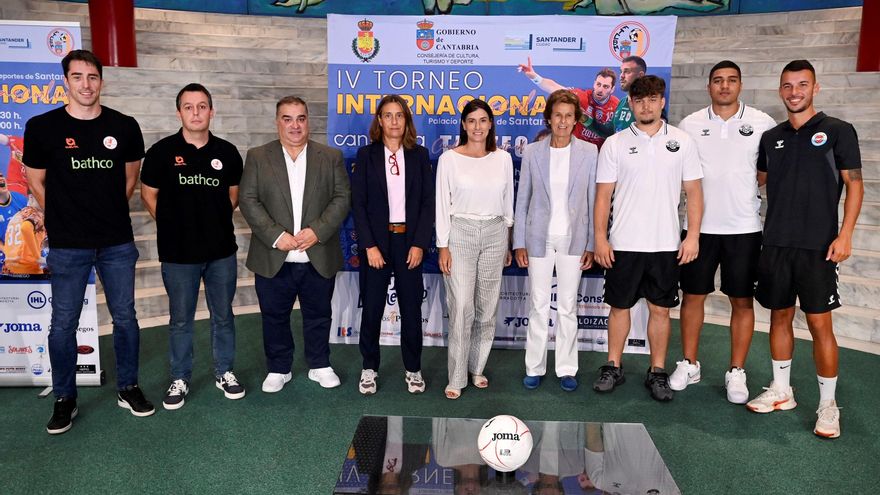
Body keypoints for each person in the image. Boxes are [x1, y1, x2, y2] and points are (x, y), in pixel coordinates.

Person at [24, 49, 152, 434]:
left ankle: (127, 386)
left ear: (101, 80)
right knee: (62, 324)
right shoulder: (42, 127)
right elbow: (34, 180)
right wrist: (63, 214)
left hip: (115, 240)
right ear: (66, 80)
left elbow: (131, 179)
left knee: (126, 318)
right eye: (77, 76)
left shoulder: (125, 125)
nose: (86, 84)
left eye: (92, 77)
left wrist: (104, 209)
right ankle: (66, 397)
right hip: (67, 244)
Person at [747, 60, 863, 439]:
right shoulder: (771, 137)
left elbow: (855, 185)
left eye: (802, 85)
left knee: (818, 324)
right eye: (787, 86)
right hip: (776, 242)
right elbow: (762, 179)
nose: (794, 92)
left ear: (816, 88)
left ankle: (828, 406)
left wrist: (845, 234)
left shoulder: (838, 131)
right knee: (779, 317)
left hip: (818, 247)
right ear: (780, 90)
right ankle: (782, 391)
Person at [592, 75, 704, 402]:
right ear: (631, 104)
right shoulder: (614, 144)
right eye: (639, 100)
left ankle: (657, 371)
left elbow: (694, 194)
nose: (646, 106)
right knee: (619, 307)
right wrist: (601, 238)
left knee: (660, 310)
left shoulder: (682, 141)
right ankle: (613, 365)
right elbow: (602, 197)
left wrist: (692, 236)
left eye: (652, 99)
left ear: (662, 102)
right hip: (623, 243)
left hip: (665, 244)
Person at [672, 60, 777, 404]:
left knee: (742, 301)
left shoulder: (763, 123)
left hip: (744, 229)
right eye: (718, 80)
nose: (724, 86)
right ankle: (689, 363)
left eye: (731, 80)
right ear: (709, 87)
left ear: (740, 85)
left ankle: (736, 371)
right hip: (698, 230)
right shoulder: (690, 124)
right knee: (692, 297)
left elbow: (764, 173)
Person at [140, 83, 245, 410]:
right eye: (189, 107)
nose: (196, 112)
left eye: (202, 106)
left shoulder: (227, 152)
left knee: (223, 316)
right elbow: (148, 195)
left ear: (211, 112)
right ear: (179, 112)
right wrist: (174, 226)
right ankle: (180, 377)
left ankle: (224, 371)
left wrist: (210, 224)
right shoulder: (161, 152)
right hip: (178, 255)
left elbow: (233, 195)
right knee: (181, 319)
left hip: (220, 253)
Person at [239, 95, 351, 393]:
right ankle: (279, 367)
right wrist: (277, 236)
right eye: (287, 119)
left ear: (308, 121)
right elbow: (248, 200)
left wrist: (317, 230)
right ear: (277, 122)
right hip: (273, 255)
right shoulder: (258, 156)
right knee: (274, 316)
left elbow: (342, 198)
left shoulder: (330, 157)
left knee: (318, 314)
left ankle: (319, 364)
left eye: (301, 118)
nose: (295, 125)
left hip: (317, 252)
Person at [513, 90, 598, 392]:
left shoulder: (589, 153)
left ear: (576, 120)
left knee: (567, 306)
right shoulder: (533, 152)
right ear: (548, 118)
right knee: (537, 306)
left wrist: (591, 243)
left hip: (574, 240)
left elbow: (592, 201)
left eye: (568, 115)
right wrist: (518, 241)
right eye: (557, 115)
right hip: (538, 239)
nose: (563, 121)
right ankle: (534, 366)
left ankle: (566, 368)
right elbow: (522, 200)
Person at [351, 95, 434, 395]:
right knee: (371, 309)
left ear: (407, 121)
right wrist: (369, 245)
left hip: (409, 243)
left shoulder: (419, 155)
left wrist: (420, 244)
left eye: (399, 115)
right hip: (377, 245)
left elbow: (427, 204)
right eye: (388, 115)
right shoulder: (366, 155)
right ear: (380, 121)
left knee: (411, 310)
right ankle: (369, 367)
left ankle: (413, 369)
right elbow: (358, 204)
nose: (394, 121)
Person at [436, 98, 513, 400]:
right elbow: (442, 206)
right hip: (461, 233)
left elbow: (508, 201)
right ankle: (456, 377)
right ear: (464, 125)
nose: (478, 127)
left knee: (487, 307)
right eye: (472, 121)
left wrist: (507, 238)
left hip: (495, 232)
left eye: (483, 120)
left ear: (490, 124)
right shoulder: (449, 159)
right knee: (462, 308)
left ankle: (477, 367)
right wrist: (443, 246)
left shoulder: (503, 159)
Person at [517, 60, 619, 148]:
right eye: (598, 84)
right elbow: (553, 87)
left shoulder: (616, 106)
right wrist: (534, 76)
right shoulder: (580, 97)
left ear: (612, 89)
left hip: (601, 153)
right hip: (578, 150)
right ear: (594, 83)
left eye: (605, 86)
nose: (600, 89)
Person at [1, 196, 46, 276]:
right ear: (31, 197)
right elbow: (26, 228)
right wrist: (37, 258)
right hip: (29, 270)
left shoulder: (17, 215)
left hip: (8, 270)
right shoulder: (36, 213)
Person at [612, 55, 647, 132]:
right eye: (621, 72)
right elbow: (609, 130)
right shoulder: (622, 101)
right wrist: (585, 119)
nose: (621, 76)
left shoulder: (649, 104)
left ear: (640, 75)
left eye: (627, 71)